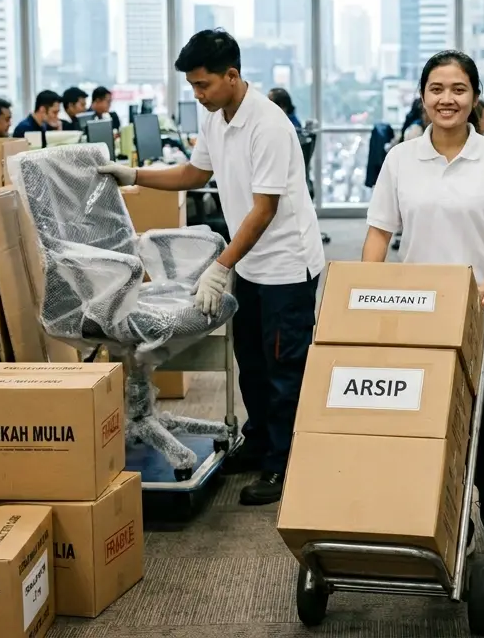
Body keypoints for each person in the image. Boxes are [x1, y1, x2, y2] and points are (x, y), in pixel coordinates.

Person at [96, 29, 325, 506]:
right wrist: (133, 175)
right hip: (252, 263)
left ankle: (286, 466)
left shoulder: (268, 125)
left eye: (202, 85)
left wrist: (219, 267)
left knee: (285, 369)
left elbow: (263, 209)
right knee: (253, 364)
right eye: (193, 87)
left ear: (232, 75)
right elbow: (195, 174)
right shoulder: (218, 116)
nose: (197, 96)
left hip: (286, 264)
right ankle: (261, 445)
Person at [361, 50, 484, 537]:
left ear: (474, 97)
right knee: (433, 415)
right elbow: (378, 232)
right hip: (421, 316)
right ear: (422, 97)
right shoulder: (401, 159)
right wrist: (364, 294)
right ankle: (452, 508)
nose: (447, 99)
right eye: (437, 89)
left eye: (458, 89)